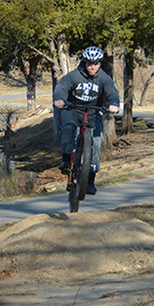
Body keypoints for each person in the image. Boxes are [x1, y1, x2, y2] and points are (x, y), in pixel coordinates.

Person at [53, 45, 120, 195]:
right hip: (72, 110)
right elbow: (61, 87)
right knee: (68, 128)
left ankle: (90, 181)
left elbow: (112, 92)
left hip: (93, 113)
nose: (92, 66)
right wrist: (59, 99)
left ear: (100, 63)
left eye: (95, 63)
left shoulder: (104, 78)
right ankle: (66, 159)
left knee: (95, 143)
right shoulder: (74, 75)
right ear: (84, 62)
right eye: (89, 63)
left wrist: (113, 104)